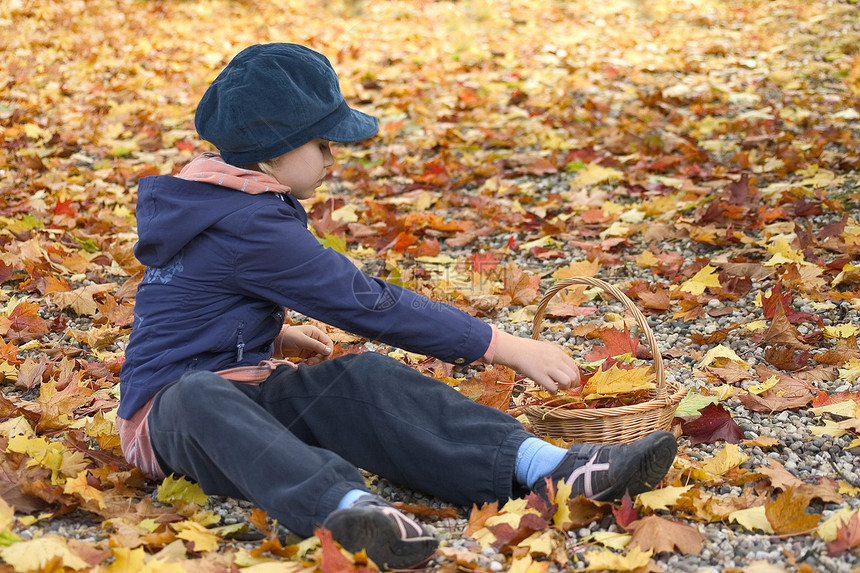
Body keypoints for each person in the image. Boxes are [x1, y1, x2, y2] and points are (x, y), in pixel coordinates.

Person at [117, 43, 677, 570]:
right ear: (276, 151)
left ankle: (549, 467)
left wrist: (271, 339)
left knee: (360, 377)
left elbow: (190, 302)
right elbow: (370, 305)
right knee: (197, 393)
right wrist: (501, 345)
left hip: (246, 387)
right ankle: (345, 510)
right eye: (324, 146)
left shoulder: (227, 200)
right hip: (168, 421)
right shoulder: (247, 221)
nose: (333, 160)